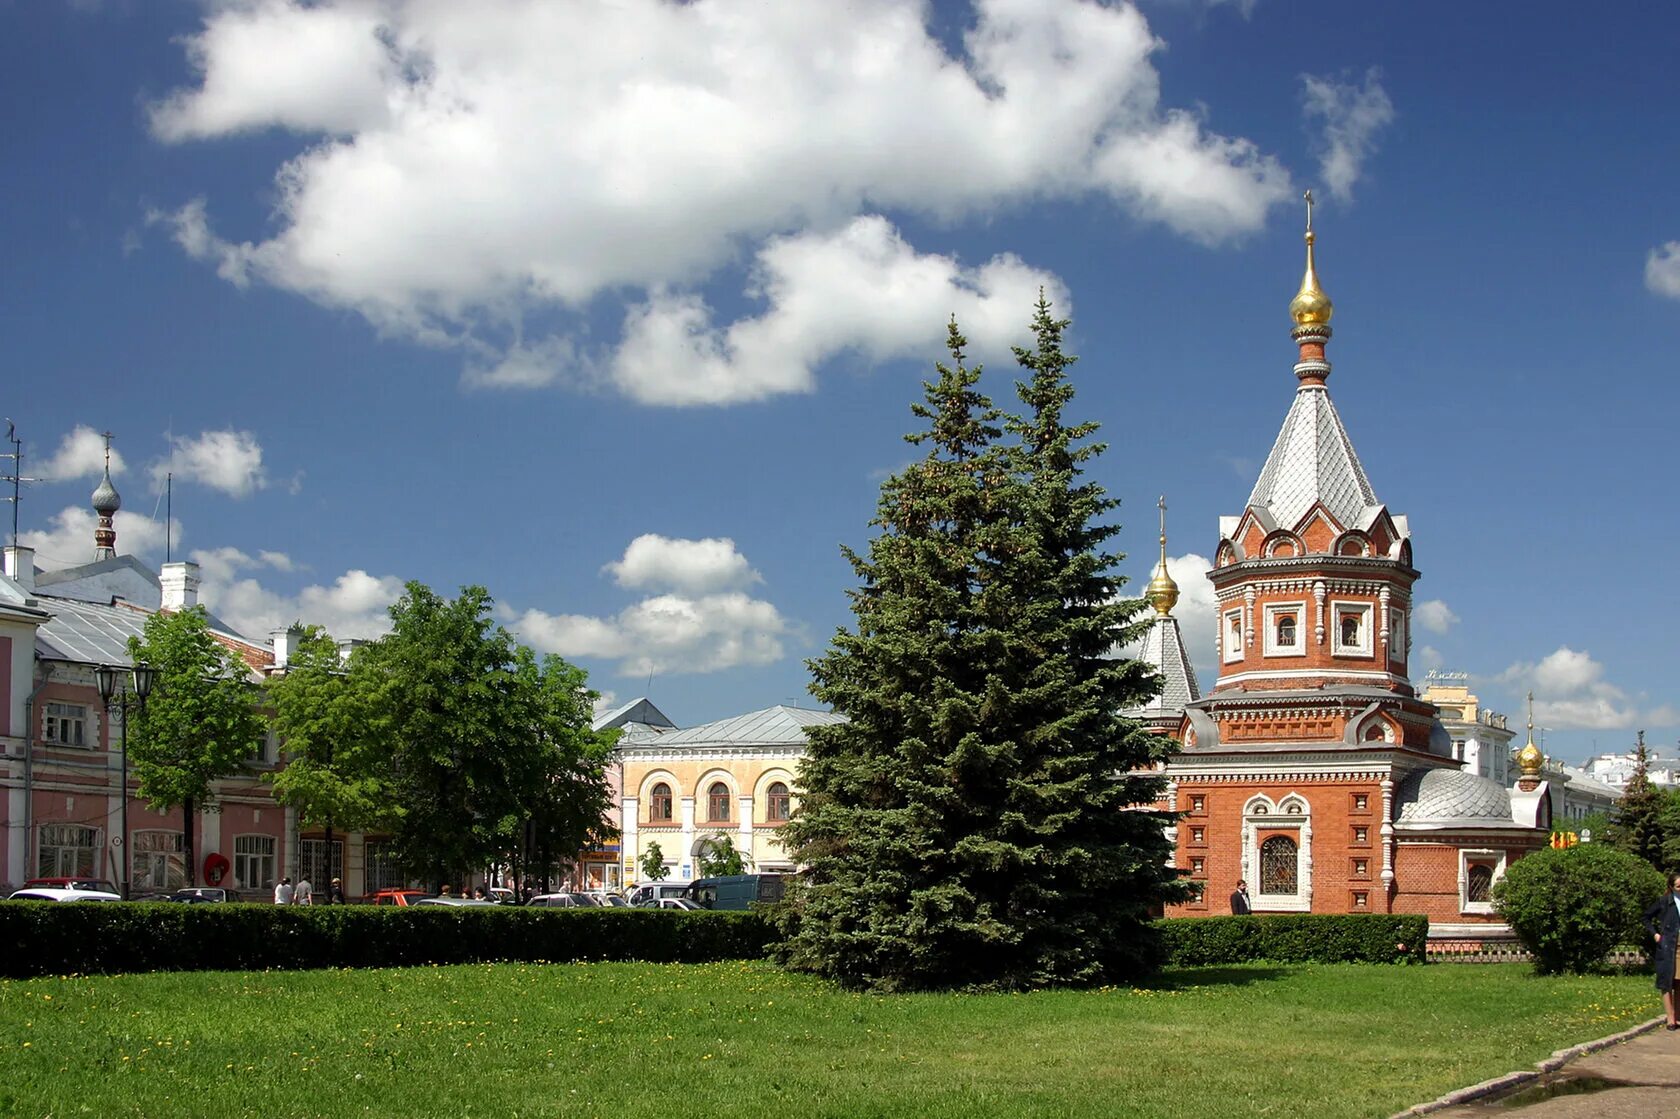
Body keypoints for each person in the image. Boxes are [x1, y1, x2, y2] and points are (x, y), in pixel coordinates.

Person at [1642, 872, 1680, 1030]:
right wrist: (1655, 934)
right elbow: (1646, 917)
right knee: (1666, 982)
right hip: (1668, 944)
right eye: (1679, 886)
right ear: (1671, 887)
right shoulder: (1665, 901)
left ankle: (1678, 1016)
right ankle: (1670, 1018)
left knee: (1679, 982)